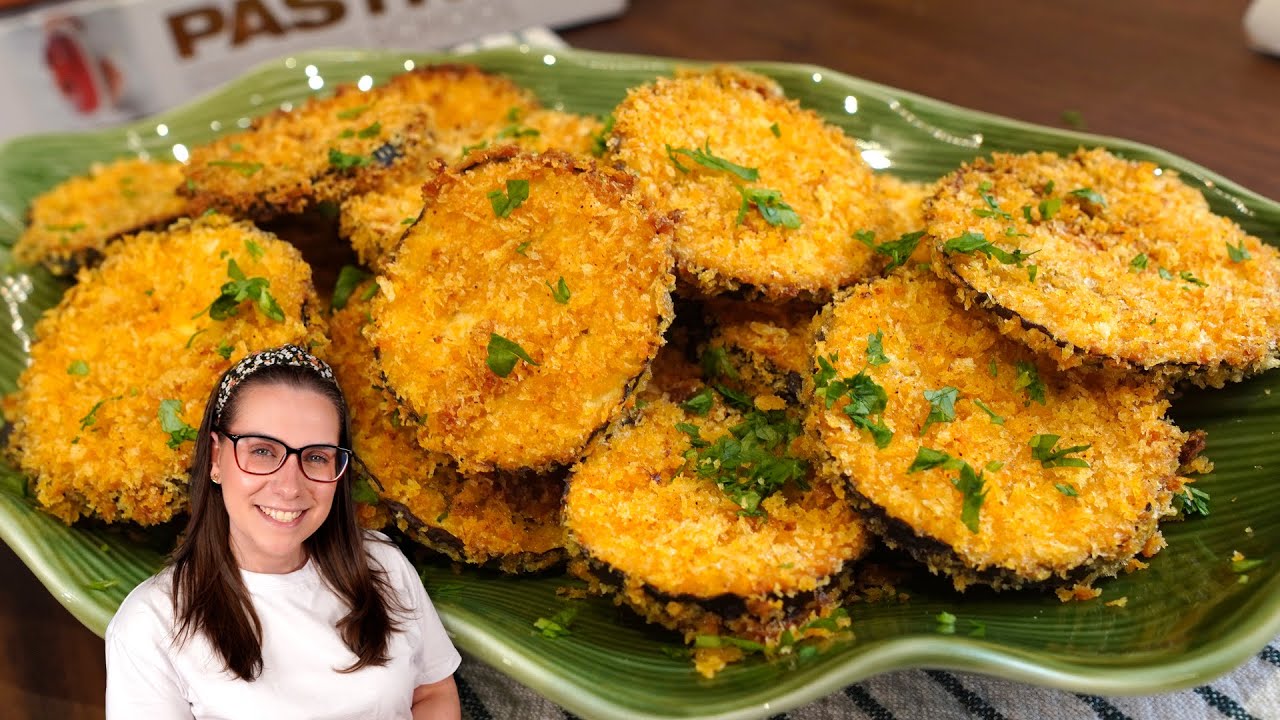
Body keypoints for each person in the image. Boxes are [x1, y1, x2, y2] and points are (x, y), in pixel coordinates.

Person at [105, 344, 462, 719]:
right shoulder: (151, 623)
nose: (290, 487)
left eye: (316, 456)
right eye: (262, 451)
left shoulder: (381, 563)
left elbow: (432, 692)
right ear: (215, 458)